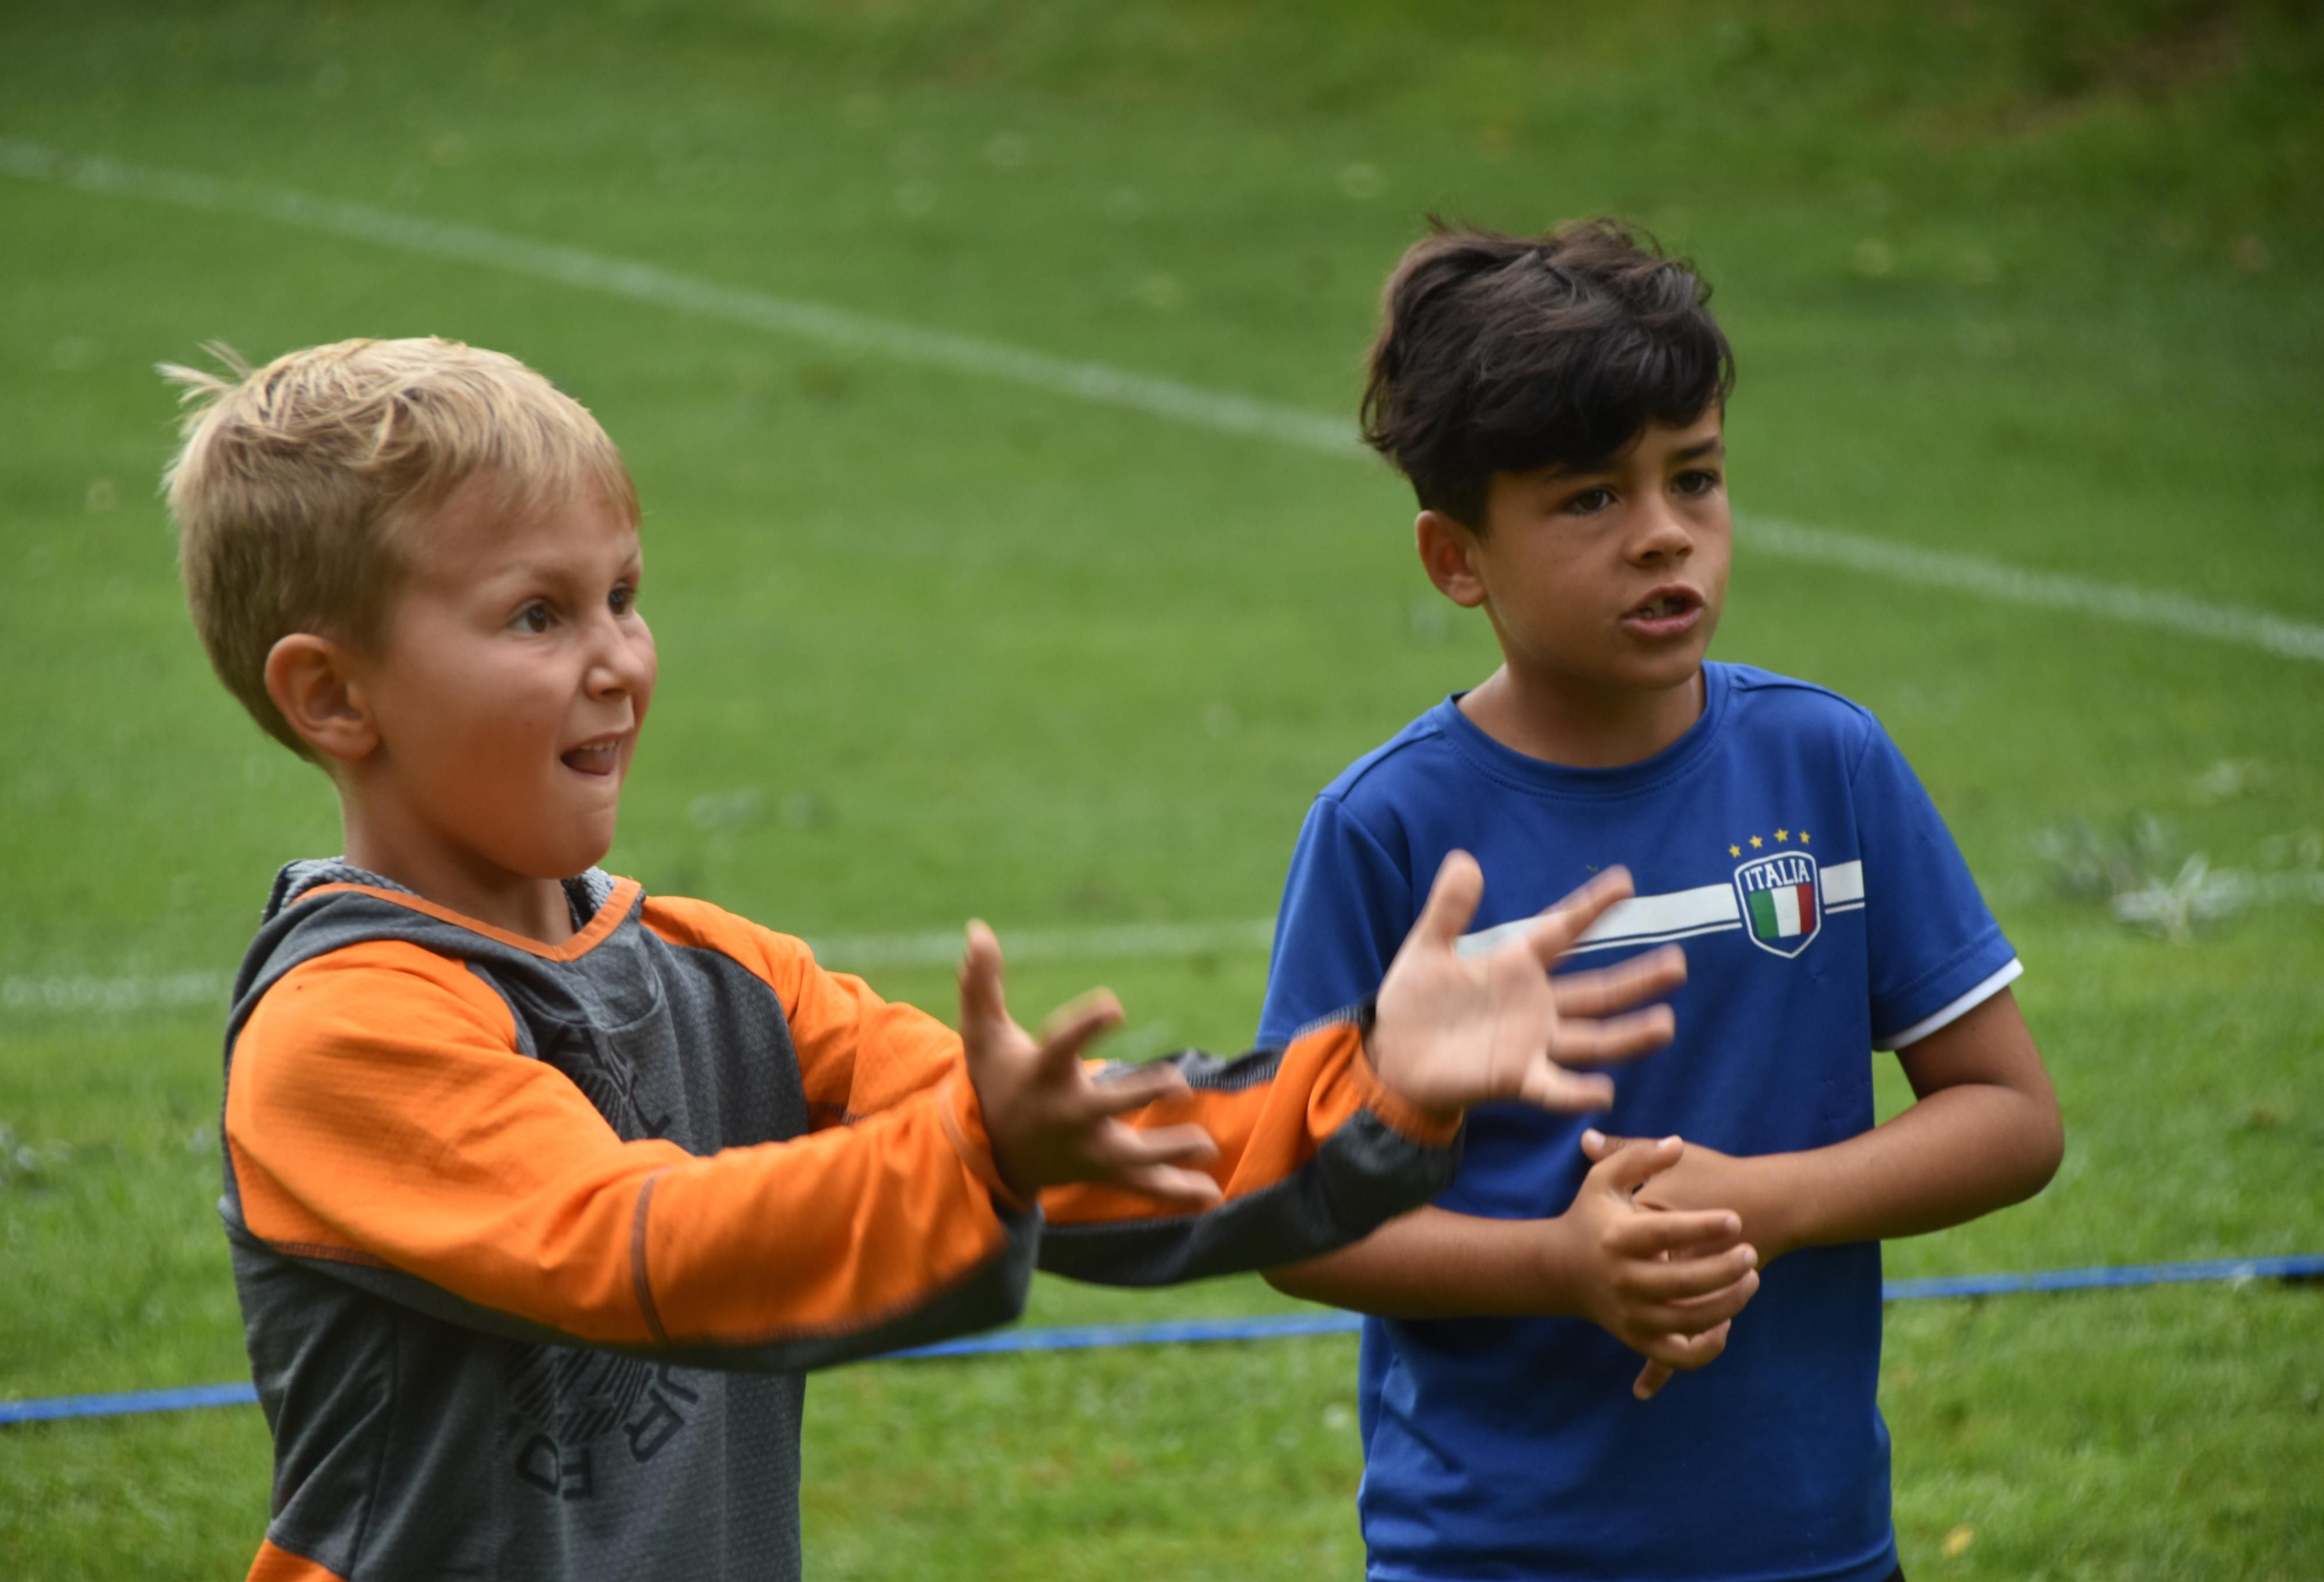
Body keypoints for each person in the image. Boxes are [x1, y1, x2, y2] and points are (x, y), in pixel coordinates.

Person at [159, 336, 1690, 1582]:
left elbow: (1090, 1152)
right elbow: (636, 1245)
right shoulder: (343, 1030)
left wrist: (1373, 1084)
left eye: (623, 596)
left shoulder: (720, 972)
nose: (617, 658)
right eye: (536, 616)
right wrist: (975, 1154)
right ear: (333, 697)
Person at [1258, 221, 2065, 1582]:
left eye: (1693, 477)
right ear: (1456, 559)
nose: (1661, 536)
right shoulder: (1388, 829)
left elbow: (2009, 1117)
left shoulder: (1825, 765)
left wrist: (1769, 1201)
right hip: (1491, 1556)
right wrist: (1559, 1268)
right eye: (1588, 500)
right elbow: (1297, 1219)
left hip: (1808, 1545)